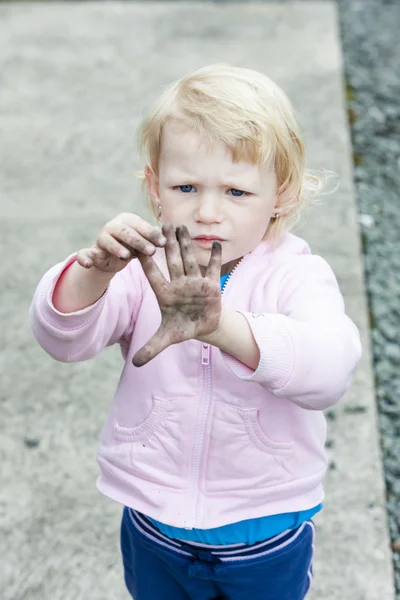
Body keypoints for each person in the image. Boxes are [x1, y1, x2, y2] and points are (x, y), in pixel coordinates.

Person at [29, 64, 362, 600]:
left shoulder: (297, 274)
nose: (208, 212)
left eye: (236, 191)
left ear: (282, 193)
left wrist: (223, 327)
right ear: (154, 187)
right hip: (153, 520)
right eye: (186, 186)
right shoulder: (142, 268)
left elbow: (330, 370)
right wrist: (94, 270)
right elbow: (63, 339)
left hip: (264, 529)